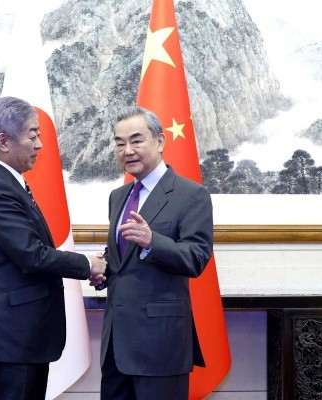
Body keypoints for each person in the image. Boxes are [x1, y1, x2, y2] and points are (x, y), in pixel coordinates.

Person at [0, 96, 106, 400]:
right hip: (9, 343)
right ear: (4, 141)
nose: (40, 144)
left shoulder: (8, 183)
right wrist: (88, 264)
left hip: (22, 341)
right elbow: (33, 255)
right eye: (32, 135)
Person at [90, 106, 213, 400]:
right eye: (120, 143)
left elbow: (196, 257)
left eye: (136, 140)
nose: (128, 151)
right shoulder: (118, 196)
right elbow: (122, 257)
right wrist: (103, 270)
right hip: (116, 346)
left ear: (159, 141)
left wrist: (152, 242)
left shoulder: (191, 194)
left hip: (160, 345)